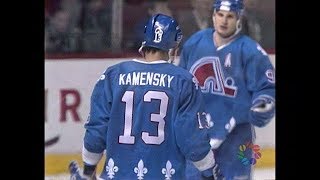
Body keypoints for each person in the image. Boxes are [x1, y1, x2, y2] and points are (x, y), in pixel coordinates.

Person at [68, 13, 224, 180]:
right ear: (173, 48)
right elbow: (192, 139)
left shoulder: (113, 75)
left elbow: (96, 130)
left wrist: (88, 170)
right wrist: (209, 172)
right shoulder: (183, 81)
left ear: (144, 45)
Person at [178, 0, 275, 179]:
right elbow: (181, 84)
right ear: (213, 16)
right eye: (220, 15)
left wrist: (263, 103)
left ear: (238, 19)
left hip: (237, 138)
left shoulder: (251, 51)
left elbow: (267, 89)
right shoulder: (195, 43)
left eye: (230, 16)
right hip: (198, 134)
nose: (224, 21)